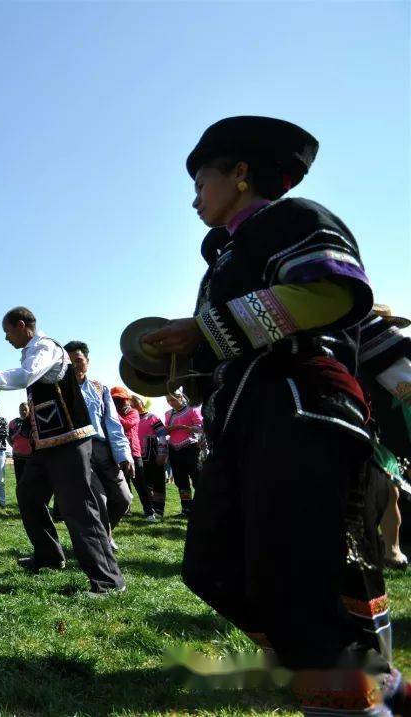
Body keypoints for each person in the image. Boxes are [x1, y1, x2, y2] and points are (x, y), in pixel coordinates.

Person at [144, 115, 402, 712]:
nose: (193, 199)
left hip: (301, 408)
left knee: (295, 580)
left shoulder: (294, 218)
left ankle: (352, 696)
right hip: (245, 420)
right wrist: (174, 356)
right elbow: (228, 343)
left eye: (201, 182)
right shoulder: (225, 258)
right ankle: (372, 682)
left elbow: (333, 294)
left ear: (239, 173)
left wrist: (205, 329)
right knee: (212, 566)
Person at [0, 307, 124, 597]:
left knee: (79, 507)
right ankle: (49, 555)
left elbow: (26, 375)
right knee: (28, 494)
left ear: (21, 326)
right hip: (46, 444)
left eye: (8, 332)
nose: (7, 338)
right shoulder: (33, 351)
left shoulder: (45, 348)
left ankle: (109, 581)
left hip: (69, 442)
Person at [358, 306, 411, 569]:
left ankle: (392, 550)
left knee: (390, 490)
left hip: (372, 431)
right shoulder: (379, 358)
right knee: (389, 490)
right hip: (364, 430)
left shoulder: (382, 361)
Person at [63, 341, 134, 536]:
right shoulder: (59, 391)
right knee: (99, 499)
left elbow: (112, 423)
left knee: (123, 499)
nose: (74, 365)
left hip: (103, 450)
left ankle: (100, 535)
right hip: (78, 451)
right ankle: (104, 541)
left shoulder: (100, 388)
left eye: (78, 360)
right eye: (68, 362)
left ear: (87, 361)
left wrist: (123, 455)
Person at [111, 387, 151, 517]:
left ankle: (149, 511)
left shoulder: (133, 412)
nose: (118, 402)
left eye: (120, 399)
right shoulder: (112, 412)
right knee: (124, 483)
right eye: (115, 399)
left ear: (126, 399)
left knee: (140, 484)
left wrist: (113, 414)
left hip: (133, 453)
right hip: (118, 452)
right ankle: (126, 511)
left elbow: (127, 424)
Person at [164, 390, 204, 516]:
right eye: (168, 400)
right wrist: (168, 430)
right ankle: (186, 509)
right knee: (181, 480)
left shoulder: (192, 409)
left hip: (190, 447)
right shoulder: (168, 414)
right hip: (174, 449)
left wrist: (185, 428)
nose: (171, 403)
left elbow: (200, 427)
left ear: (180, 397)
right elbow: (165, 431)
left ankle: (202, 507)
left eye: (173, 400)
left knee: (197, 477)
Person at [132, 396, 169, 521]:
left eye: (135, 402)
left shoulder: (152, 417)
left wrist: (162, 453)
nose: (133, 405)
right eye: (131, 403)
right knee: (144, 483)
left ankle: (159, 509)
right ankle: (149, 508)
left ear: (143, 403)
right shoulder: (132, 418)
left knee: (158, 481)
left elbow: (162, 435)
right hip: (138, 454)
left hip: (153, 453)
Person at [8, 402, 34, 483]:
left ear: (29, 410)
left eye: (25, 409)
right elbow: (8, 437)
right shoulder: (13, 422)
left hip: (31, 457)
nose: (23, 411)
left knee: (31, 481)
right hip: (17, 457)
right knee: (19, 481)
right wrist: (15, 446)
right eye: (21, 410)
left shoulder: (33, 422)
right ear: (18, 411)